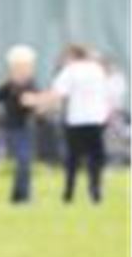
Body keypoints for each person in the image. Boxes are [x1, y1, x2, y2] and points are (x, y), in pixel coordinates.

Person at [25, 44, 111, 204]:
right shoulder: (97, 70)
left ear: (71, 55)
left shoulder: (71, 71)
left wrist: (35, 102)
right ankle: (95, 191)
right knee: (95, 158)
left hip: (77, 120)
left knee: (73, 158)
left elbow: (56, 94)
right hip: (97, 119)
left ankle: (68, 193)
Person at [0, 45, 41, 204]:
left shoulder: (30, 83)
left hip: (26, 126)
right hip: (12, 127)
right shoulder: (9, 85)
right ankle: (20, 195)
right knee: (22, 159)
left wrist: (33, 102)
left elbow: (36, 103)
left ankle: (21, 195)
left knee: (25, 161)